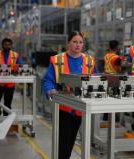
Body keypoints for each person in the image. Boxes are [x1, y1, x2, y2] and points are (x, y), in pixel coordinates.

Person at [42, 31, 97, 159]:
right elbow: (47, 80)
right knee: (63, 141)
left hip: (80, 107)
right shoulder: (57, 60)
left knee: (71, 139)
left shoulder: (89, 61)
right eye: (74, 42)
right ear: (68, 43)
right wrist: (50, 90)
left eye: (80, 42)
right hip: (63, 107)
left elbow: (95, 80)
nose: (78, 45)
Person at [0, 38, 22, 115]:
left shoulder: (15, 55)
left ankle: (6, 120)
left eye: (9, 45)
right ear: (2, 45)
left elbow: (20, 65)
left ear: (11, 45)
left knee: (8, 104)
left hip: (10, 84)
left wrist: (18, 69)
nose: (7, 46)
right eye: (5, 45)